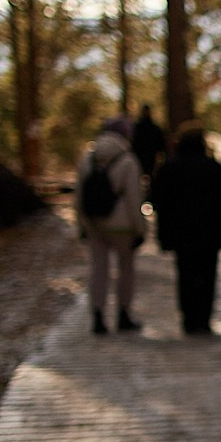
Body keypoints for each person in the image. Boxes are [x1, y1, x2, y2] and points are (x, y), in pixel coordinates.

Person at [151, 121, 221, 334]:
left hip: (181, 234)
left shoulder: (169, 167)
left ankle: (189, 320)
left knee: (185, 275)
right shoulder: (212, 167)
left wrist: (164, 234)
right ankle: (203, 320)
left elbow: (158, 203)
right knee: (207, 276)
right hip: (210, 234)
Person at [75, 114, 147, 335]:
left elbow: (78, 195)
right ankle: (123, 314)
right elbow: (135, 199)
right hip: (122, 226)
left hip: (94, 223)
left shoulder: (87, 158)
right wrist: (140, 229)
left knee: (98, 270)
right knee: (126, 270)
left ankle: (98, 317)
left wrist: (82, 223)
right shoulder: (128, 160)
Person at [131, 104, 168, 189]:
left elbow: (161, 146)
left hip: (149, 159)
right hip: (141, 158)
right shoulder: (137, 128)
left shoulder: (137, 128)